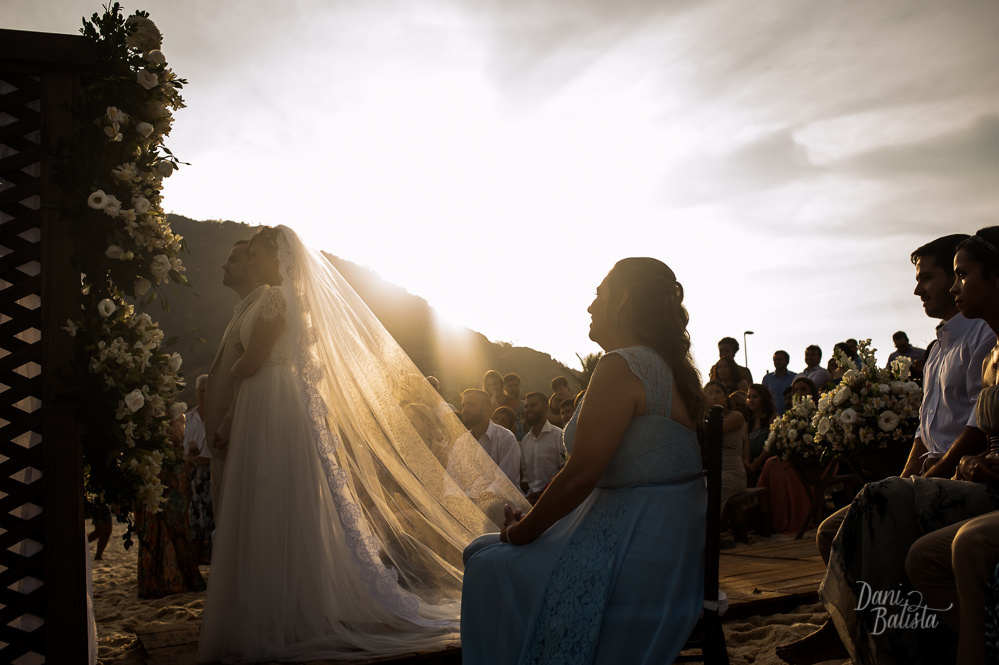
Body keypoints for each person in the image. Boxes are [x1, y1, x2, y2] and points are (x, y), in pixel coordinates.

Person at [198, 226, 528, 662]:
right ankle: (278, 602)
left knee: (268, 490)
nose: (253, 261)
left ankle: (277, 607)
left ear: (277, 258)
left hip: (270, 399)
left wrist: (228, 380)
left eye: (257, 254)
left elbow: (254, 359)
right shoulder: (287, 300)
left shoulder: (277, 299)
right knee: (274, 497)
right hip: (274, 399)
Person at [461, 257, 707, 665]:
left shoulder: (622, 365)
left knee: (485, 563)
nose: (590, 307)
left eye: (598, 295)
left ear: (621, 299)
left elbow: (581, 475)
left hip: (635, 554)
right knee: (484, 551)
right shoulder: (670, 370)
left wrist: (523, 533)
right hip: (666, 547)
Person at [778, 232, 993, 665]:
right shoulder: (938, 348)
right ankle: (853, 627)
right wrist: (905, 475)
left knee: (876, 513)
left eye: (932, 277)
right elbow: (922, 431)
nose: (920, 289)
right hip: (937, 471)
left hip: (958, 475)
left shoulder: (982, 337)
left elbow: (976, 426)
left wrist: (933, 476)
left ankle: (883, 641)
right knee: (832, 530)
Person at [203, 240, 265, 521]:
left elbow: (254, 375)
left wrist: (226, 429)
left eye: (235, 259)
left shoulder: (260, 312)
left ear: (253, 267)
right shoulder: (243, 310)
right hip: (225, 443)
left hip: (235, 442)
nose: (224, 265)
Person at [136, 408, 205, 598]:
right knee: (174, 530)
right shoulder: (167, 454)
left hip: (165, 498)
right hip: (168, 502)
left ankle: (161, 582)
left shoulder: (169, 451)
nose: (183, 427)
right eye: (180, 423)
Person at [460, 388, 521, 487]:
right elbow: (453, 478)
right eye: (463, 405)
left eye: (471, 405)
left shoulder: (506, 438)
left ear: (487, 410)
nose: (465, 410)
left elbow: (505, 483)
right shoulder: (461, 442)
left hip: (501, 501)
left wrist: (477, 499)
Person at [703, 380, 748, 514]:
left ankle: (711, 528)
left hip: (732, 473)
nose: (714, 396)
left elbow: (714, 433)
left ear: (726, 396)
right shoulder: (702, 419)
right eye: (709, 394)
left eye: (717, 392)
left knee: (709, 489)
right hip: (711, 472)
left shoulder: (736, 416)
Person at [184, 374, 213, 565]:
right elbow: (182, 451)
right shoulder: (188, 419)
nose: (204, 395)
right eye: (201, 391)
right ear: (196, 392)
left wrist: (198, 459)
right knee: (192, 518)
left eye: (207, 391)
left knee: (211, 518)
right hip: (191, 477)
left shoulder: (217, 417)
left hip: (212, 476)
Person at [519, 391, 565, 503]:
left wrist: (542, 493)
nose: (528, 409)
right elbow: (525, 475)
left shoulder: (559, 436)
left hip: (553, 500)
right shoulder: (525, 441)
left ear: (545, 408)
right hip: (530, 502)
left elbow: (565, 470)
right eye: (526, 406)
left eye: (533, 405)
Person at [744, 383, 777, 482]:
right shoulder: (748, 424)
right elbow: (747, 449)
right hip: (753, 467)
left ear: (763, 398)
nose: (750, 400)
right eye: (748, 397)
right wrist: (748, 463)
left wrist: (757, 463)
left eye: (755, 397)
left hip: (769, 465)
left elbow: (770, 445)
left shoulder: (773, 418)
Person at [762, 350, 796, 415]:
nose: (777, 362)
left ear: (787, 361)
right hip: (774, 417)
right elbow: (764, 398)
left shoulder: (795, 377)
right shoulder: (767, 378)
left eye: (780, 359)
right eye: (775, 360)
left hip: (793, 416)